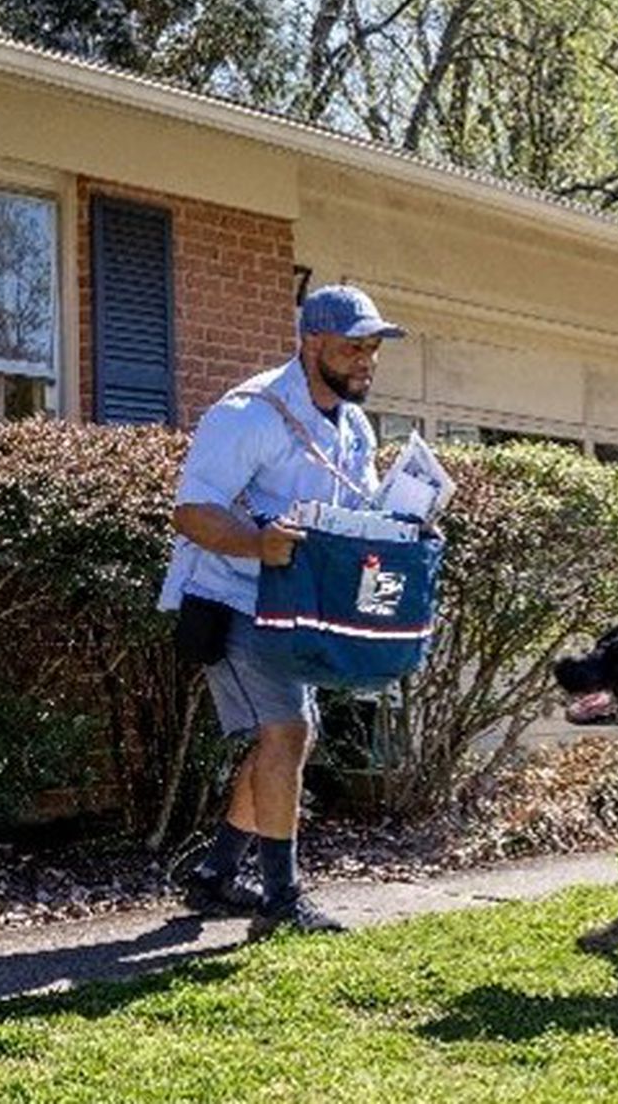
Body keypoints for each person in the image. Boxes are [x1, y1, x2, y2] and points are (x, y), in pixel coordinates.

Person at [159, 283, 405, 937]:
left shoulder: (353, 426)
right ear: (312, 342)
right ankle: (282, 899)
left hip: (293, 606)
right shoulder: (248, 413)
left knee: (290, 736)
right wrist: (258, 545)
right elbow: (191, 511)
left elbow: (362, 512)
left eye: (374, 349)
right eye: (354, 347)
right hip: (231, 595)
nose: (366, 361)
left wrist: (410, 523)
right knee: (288, 733)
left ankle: (214, 877)